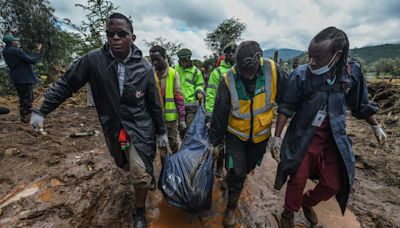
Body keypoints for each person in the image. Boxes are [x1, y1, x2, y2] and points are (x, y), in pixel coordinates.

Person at [29, 13, 168, 228]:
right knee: (123, 164)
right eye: (110, 34)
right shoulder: (93, 60)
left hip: (141, 126)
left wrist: (161, 132)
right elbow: (67, 83)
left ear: (133, 37)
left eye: (121, 34)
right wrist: (42, 110)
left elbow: (154, 103)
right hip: (112, 125)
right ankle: (140, 174)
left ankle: (139, 211)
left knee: (140, 173)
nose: (115, 38)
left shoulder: (145, 67)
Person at [271, 27, 387, 227]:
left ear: (337, 55)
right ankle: (288, 212)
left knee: (334, 184)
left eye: (318, 57)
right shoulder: (301, 75)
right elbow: (286, 107)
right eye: (309, 56)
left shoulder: (351, 73)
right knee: (297, 179)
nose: (312, 62)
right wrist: (277, 137)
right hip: (303, 138)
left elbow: (360, 105)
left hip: (333, 139)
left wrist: (376, 126)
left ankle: (307, 203)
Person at [209, 41, 287, 227]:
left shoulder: (273, 70)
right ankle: (231, 208)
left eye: (250, 74)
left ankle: (231, 180)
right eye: (243, 74)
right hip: (236, 134)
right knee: (237, 169)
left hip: (261, 134)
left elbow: (287, 101)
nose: (247, 79)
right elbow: (219, 113)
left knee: (248, 168)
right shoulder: (228, 79)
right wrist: (216, 142)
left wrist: (278, 137)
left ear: (259, 59)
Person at [149, 45, 186, 163]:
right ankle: (165, 167)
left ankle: (176, 165)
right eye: (152, 59)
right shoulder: (150, 73)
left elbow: (179, 97)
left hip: (171, 118)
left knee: (174, 142)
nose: (154, 62)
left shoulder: (173, 73)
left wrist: (182, 119)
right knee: (161, 145)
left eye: (157, 59)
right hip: (156, 118)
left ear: (165, 58)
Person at [206, 42, 237, 178]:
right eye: (229, 52)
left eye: (234, 52)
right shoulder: (217, 72)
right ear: (224, 55)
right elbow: (211, 94)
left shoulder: (241, 71)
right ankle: (218, 166)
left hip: (236, 115)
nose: (232, 55)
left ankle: (230, 170)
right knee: (218, 142)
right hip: (220, 115)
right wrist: (209, 114)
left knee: (233, 144)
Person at [2, 34, 42, 123]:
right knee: (28, 98)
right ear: (12, 42)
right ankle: (25, 117)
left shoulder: (5, 51)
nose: (17, 42)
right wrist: (38, 51)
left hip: (17, 78)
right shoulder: (16, 51)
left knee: (23, 97)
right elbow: (32, 60)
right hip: (24, 78)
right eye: (15, 41)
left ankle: (24, 115)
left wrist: (20, 49)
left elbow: (24, 59)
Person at [175, 48, 205, 136]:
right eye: (182, 61)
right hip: (177, 104)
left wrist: (199, 92)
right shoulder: (175, 69)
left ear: (189, 59)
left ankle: (189, 146)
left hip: (191, 105)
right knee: (179, 129)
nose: (183, 63)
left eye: (185, 61)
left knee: (189, 129)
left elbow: (200, 84)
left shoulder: (196, 71)